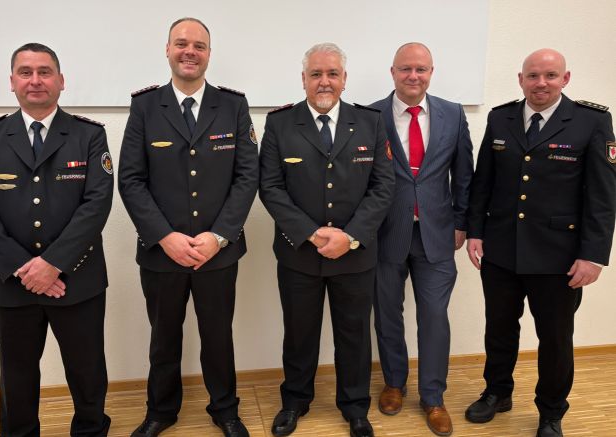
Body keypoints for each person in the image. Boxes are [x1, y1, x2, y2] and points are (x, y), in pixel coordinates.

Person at [0, 43, 113, 437]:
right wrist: (23, 268)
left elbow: (96, 205)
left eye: (44, 72)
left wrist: (53, 264)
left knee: (87, 369)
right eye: (25, 72)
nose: (35, 80)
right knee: (17, 373)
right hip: (12, 281)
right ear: (11, 82)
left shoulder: (89, 136)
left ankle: (90, 430)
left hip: (76, 277)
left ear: (61, 81)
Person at [464, 48, 616, 437]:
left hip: (558, 256)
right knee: (499, 328)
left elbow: (603, 196)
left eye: (550, 75)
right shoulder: (501, 117)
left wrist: (593, 255)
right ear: (521, 79)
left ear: (565, 79)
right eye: (533, 76)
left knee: (555, 338)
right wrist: (475, 231)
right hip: (501, 249)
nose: (541, 83)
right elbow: (484, 181)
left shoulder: (591, 121)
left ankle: (551, 411)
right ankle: (497, 392)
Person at [118, 17, 258, 437]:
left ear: (209, 54)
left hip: (218, 251)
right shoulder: (146, 106)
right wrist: (165, 237)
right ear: (168, 50)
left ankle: (225, 410)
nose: (190, 52)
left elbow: (246, 177)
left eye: (199, 45)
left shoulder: (233, 106)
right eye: (181, 43)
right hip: (163, 252)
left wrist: (218, 237)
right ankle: (160, 411)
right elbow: (131, 179)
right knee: (163, 338)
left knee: (218, 337)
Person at [259, 42, 395, 437]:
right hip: (300, 252)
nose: (324, 81)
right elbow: (270, 187)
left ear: (344, 79)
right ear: (303, 79)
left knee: (354, 335)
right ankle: (294, 402)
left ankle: (355, 407)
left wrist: (350, 236)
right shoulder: (280, 124)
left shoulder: (370, 122)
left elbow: (383, 186)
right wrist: (312, 233)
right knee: (299, 334)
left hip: (355, 254)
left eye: (332, 74)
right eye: (316, 74)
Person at [368, 42, 473, 436]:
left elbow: (464, 174)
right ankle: (394, 383)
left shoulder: (453, 114)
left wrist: (462, 222)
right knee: (387, 314)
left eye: (421, 69)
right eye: (406, 68)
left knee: (434, 317)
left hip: (437, 233)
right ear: (392, 72)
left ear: (431, 72)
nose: (414, 76)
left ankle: (433, 396)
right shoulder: (370, 115)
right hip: (385, 233)